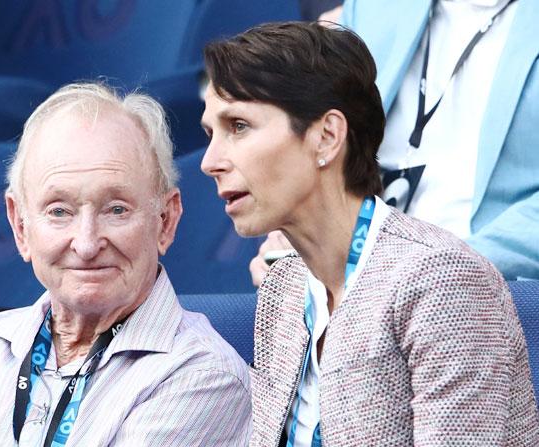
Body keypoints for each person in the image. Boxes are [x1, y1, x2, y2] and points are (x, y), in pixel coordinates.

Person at [200, 21, 539, 446]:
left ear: (326, 136)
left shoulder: (442, 279)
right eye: (210, 134)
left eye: (239, 126)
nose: (209, 162)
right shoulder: (282, 288)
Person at [0, 82, 252, 446]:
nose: (87, 243)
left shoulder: (203, 377)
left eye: (116, 210)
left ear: (166, 221)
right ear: (20, 226)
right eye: (59, 211)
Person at [250, 0, 539, 284]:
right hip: (360, 272)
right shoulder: (372, 8)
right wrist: (301, 235)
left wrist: (443, 264)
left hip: (485, 284)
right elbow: (323, 144)